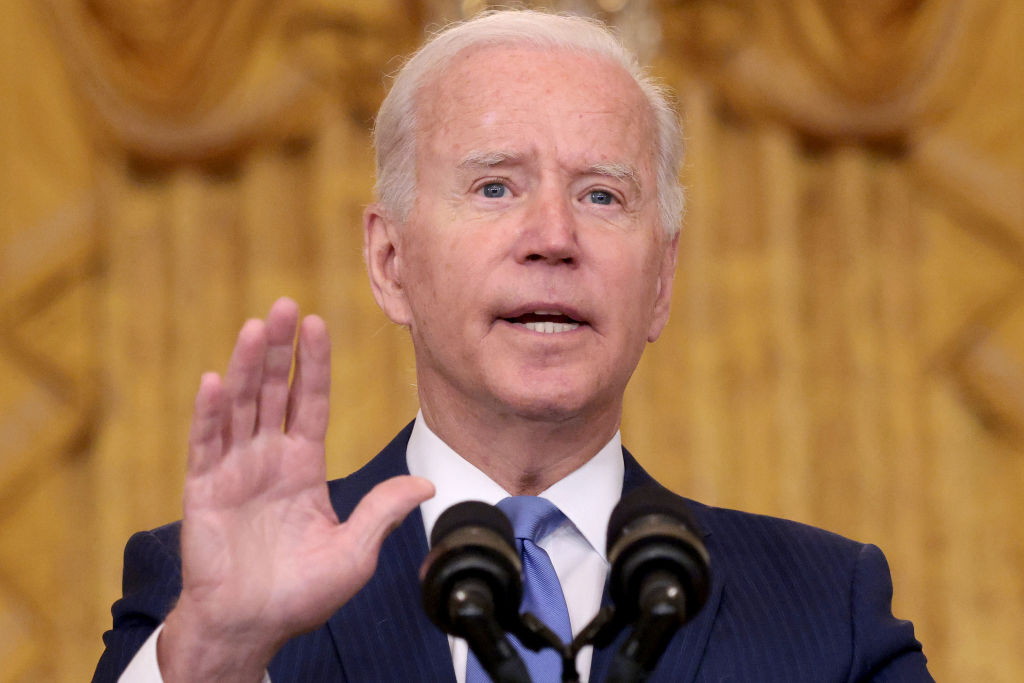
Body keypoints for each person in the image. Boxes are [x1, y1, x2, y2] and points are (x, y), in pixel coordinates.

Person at [92, 9, 931, 683]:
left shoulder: (831, 610)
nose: (554, 236)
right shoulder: (208, 592)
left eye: (602, 195)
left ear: (662, 281)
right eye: (495, 186)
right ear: (390, 262)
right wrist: (215, 656)